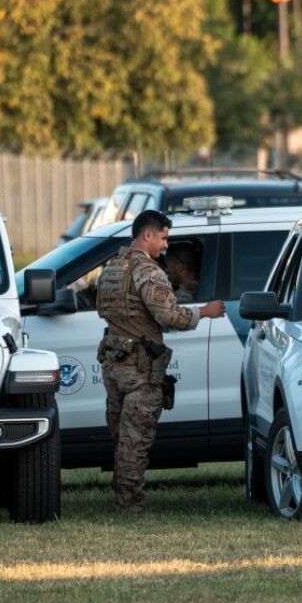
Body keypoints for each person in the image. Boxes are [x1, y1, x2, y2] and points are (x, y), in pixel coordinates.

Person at [95, 210, 225, 512]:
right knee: (135, 440)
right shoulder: (149, 272)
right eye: (164, 238)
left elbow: (107, 311)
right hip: (140, 368)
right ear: (148, 235)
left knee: (121, 435)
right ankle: (130, 504)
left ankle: (122, 496)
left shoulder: (112, 268)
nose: (166, 246)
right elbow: (169, 317)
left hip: (114, 363)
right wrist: (204, 311)